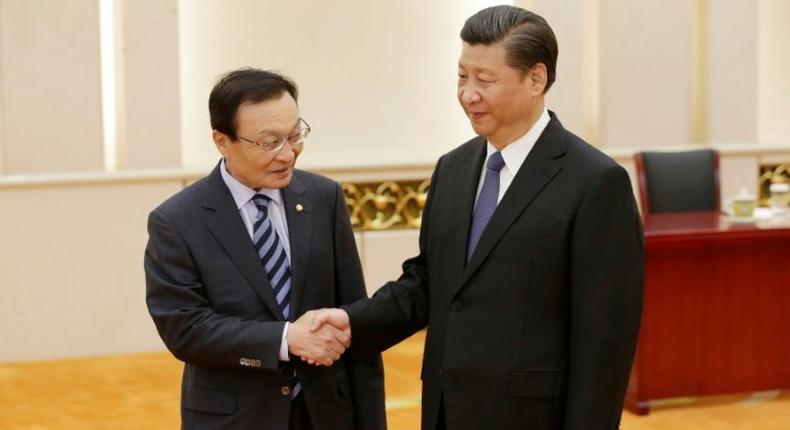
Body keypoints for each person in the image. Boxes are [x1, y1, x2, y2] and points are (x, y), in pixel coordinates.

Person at [311, 6, 643, 430]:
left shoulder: (595, 182)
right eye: (462, 77)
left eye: (485, 80)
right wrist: (353, 322)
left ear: (536, 78)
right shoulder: (453, 168)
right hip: (446, 409)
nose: (468, 93)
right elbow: (429, 282)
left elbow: (604, 341)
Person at [144, 68, 386, 430]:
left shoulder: (324, 198)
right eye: (269, 142)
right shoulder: (177, 221)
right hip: (236, 418)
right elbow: (186, 329)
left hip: (324, 414)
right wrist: (287, 339)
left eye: (294, 135)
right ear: (222, 141)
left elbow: (354, 319)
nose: (287, 154)